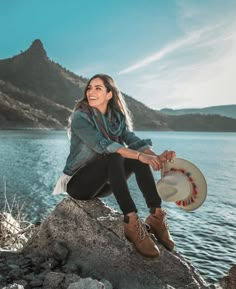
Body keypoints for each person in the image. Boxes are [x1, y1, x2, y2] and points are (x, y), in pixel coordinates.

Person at [53, 74, 176, 257]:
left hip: (104, 185)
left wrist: (156, 157)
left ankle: (156, 216)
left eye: (98, 88)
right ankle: (131, 221)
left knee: (133, 157)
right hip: (79, 185)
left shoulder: (116, 117)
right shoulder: (80, 117)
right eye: (89, 88)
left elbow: (132, 140)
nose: (91, 92)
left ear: (109, 94)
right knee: (114, 155)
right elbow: (103, 145)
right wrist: (141, 156)